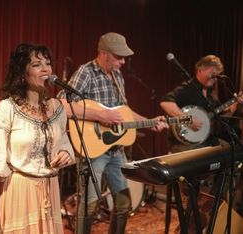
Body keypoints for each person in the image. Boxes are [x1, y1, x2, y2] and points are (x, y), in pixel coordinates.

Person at [57, 32, 169, 234]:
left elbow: (124, 111)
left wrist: (148, 122)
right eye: (119, 57)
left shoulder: (117, 76)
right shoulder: (86, 73)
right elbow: (62, 104)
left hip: (116, 151)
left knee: (124, 204)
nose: (123, 61)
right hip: (94, 150)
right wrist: (100, 115)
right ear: (103, 53)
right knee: (89, 207)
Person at [0, 43, 75, 233]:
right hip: (19, 191)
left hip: (50, 190)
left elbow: (64, 143)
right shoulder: (9, 108)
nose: (45, 69)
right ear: (22, 72)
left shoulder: (57, 108)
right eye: (36, 64)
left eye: (47, 63)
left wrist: (65, 153)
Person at [159, 55, 243, 232]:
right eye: (212, 73)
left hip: (207, 142)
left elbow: (223, 114)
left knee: (234, 154)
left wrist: (236, 102)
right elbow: (165, 102)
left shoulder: (211, 94)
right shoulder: (187, 89)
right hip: (186, 143)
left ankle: (212, 202)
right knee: (192, 184)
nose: (215, 77)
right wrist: (186, 119)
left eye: (218, 74)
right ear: (200, 70)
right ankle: (192, 213)